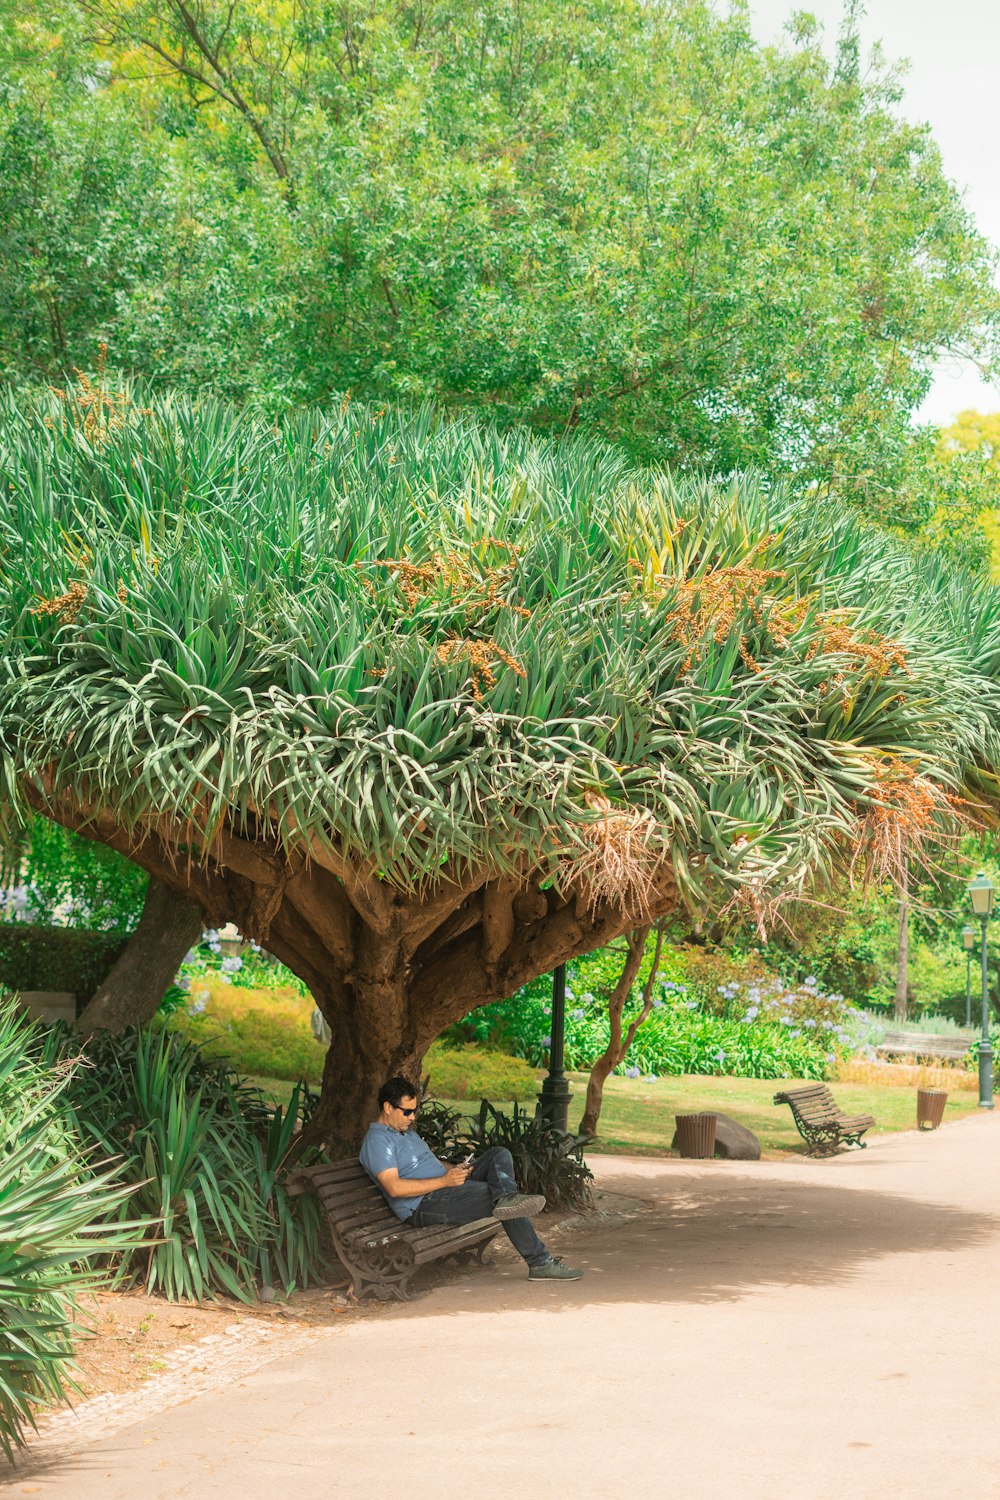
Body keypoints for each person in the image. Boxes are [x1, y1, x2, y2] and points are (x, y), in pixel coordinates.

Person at [359, 1075, 583, 1282]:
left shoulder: (404, 1132)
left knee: (499, 1154)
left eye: (414, 1110)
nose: (412, 1116)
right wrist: (445, 1181)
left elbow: (431, 1165)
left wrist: (453, 1169)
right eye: (407, 1111)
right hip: (422, 1205)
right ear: (388, 1107)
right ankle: (540, 1262)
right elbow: (394, 1187)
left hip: (444, 1188)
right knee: (499, 1200)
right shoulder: (378, 1142)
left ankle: (507, 1200)